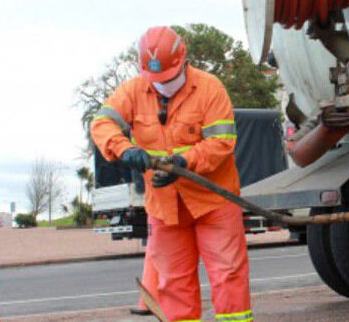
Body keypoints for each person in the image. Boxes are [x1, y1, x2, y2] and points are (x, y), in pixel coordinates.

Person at [91, 26, 252, 322]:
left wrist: (184, 163)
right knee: (172, 282)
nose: (162, 84)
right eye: (156, 80)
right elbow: (102, 123)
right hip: (165, 207)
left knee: (227, 274)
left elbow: (222, 143)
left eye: (168, 77)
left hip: (213, 201)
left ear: (183, 61)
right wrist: (124, 149)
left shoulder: (209, 88)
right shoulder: (133, 91)